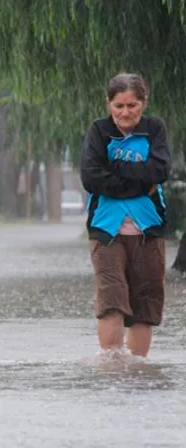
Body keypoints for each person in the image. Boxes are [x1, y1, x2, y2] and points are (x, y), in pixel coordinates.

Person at [80, 73, 171, 358]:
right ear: (109, 103)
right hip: (106, 230)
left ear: (143, 103)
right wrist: (139, 184)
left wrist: (114, 170)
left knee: (144, 307)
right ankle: (112, 372)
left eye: (132, 105)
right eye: (119, 105)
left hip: (148, 230)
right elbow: (91, 177)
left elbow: (160, 171)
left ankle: (137, 372)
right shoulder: (99, 131)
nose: (125, 112)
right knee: (112, 301)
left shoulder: (154, 130)